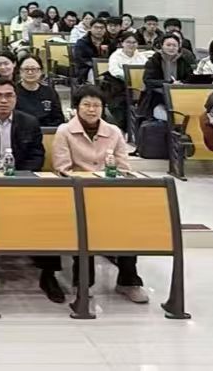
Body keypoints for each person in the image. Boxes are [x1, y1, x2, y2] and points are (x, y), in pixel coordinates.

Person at [50, 86, 148, 304]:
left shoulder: (113, 132)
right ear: (76, 107)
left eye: (97, 105)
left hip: (110, 193)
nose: (92, 110)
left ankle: (128, 281)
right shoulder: (64, 131)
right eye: (86, 105)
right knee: (84, 225)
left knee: (128, 224)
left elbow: (123, 167)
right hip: (76, 193)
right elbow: (62, 168)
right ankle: (83, 283)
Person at [139, 34, 195, 121]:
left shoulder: (183, 61)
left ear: (179, 47)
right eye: (168, 45)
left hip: (180, 96)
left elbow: (189, 78)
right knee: (167, 117)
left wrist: (181, 83)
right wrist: (169, 83)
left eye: (174, 45)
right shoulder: (154, 60)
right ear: (162, 46)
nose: (171, 48)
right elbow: (148, 80)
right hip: (157, 98)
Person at [14, 56, 66, 128]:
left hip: (46, 131)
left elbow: (59, 119)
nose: (30, 72)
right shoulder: (13, 91)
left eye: (34, 69)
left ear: (41, 71)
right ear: (20, 71)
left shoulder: (50, 92)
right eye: (26, 69)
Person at [71, 17, 112, 83]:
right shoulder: (82, 43)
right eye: (96, 27)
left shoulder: (109, 42)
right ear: (90, 28)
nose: (99, 30)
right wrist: (96, 64)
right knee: (96, 75)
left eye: (102, 28)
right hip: (87, 70)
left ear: (105, 29)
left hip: (108, 68)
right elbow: (80, 60)